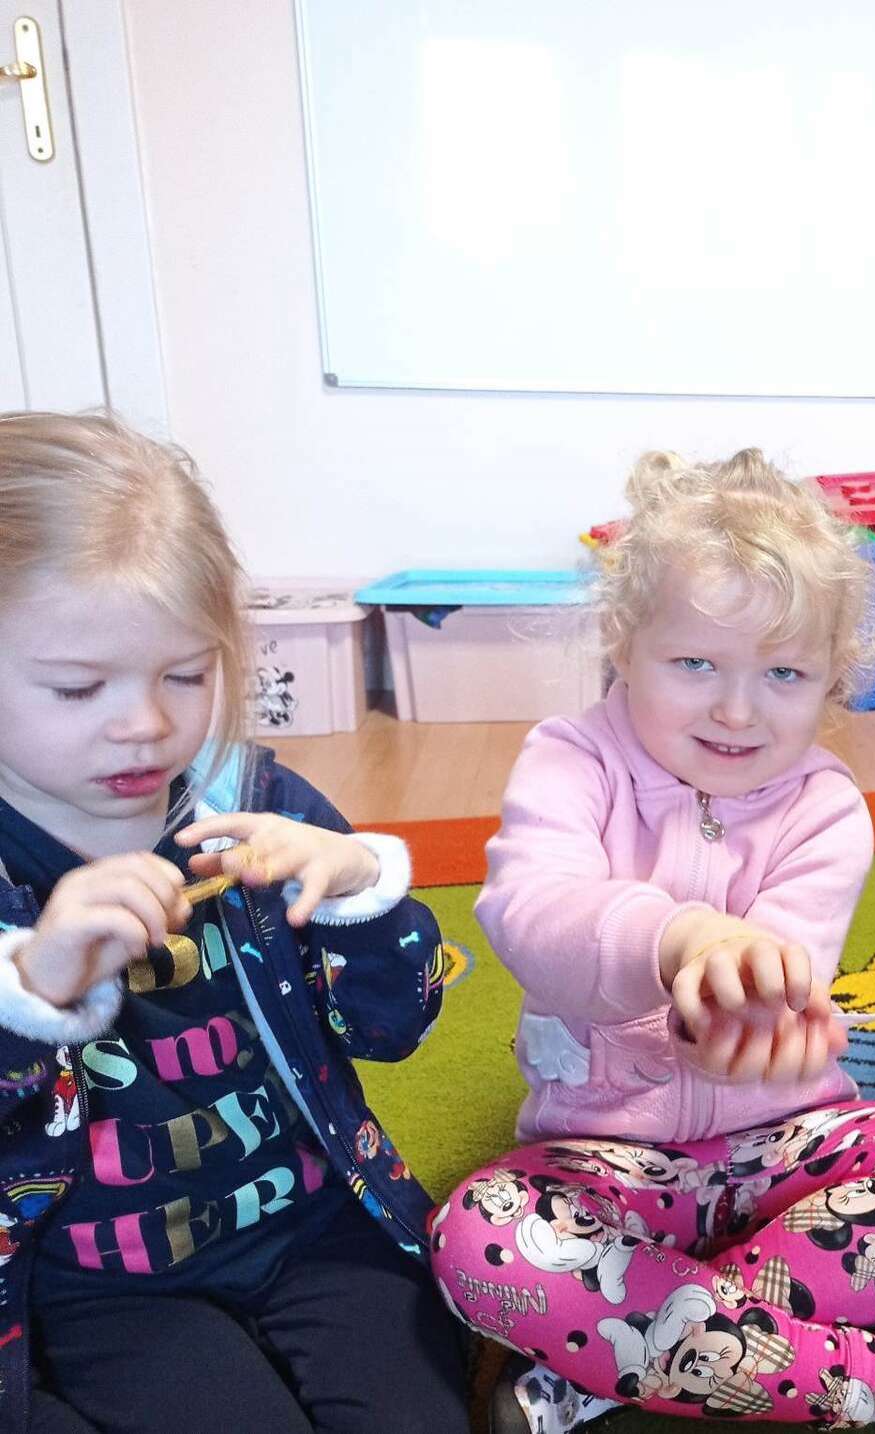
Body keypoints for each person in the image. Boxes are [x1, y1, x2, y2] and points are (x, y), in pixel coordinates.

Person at [432, 449, 875, 1432]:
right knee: (477, 1238)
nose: (737, 710)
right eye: (695, 664)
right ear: (624, 642)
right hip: (602, 1164)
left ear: (833, 680)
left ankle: (623, 1367)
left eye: (784, 673)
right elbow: (530, 912)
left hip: (789, 1156)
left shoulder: (826, 807)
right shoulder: (570, 761)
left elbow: (780, 991)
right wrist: (677, 938)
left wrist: (763, 1029)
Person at [0, 411, 467, 1434]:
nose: (146, 724)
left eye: (186, 673)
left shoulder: (251, 803)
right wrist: (32, 988)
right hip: (102, 1291)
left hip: (315, 1228)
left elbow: (395, 1029)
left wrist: (357, 893)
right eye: (77, 687)